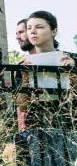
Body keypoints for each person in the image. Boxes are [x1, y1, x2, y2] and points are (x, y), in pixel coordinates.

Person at [14, 10, 76, 165]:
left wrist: (72, 73)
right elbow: (22, 105)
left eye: (39, 27)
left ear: (53, 31)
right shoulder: (23, 65)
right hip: (37, 128)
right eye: (29, 28)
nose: (33, 31)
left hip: (69, 127)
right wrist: (25, 78)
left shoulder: (71, 59)